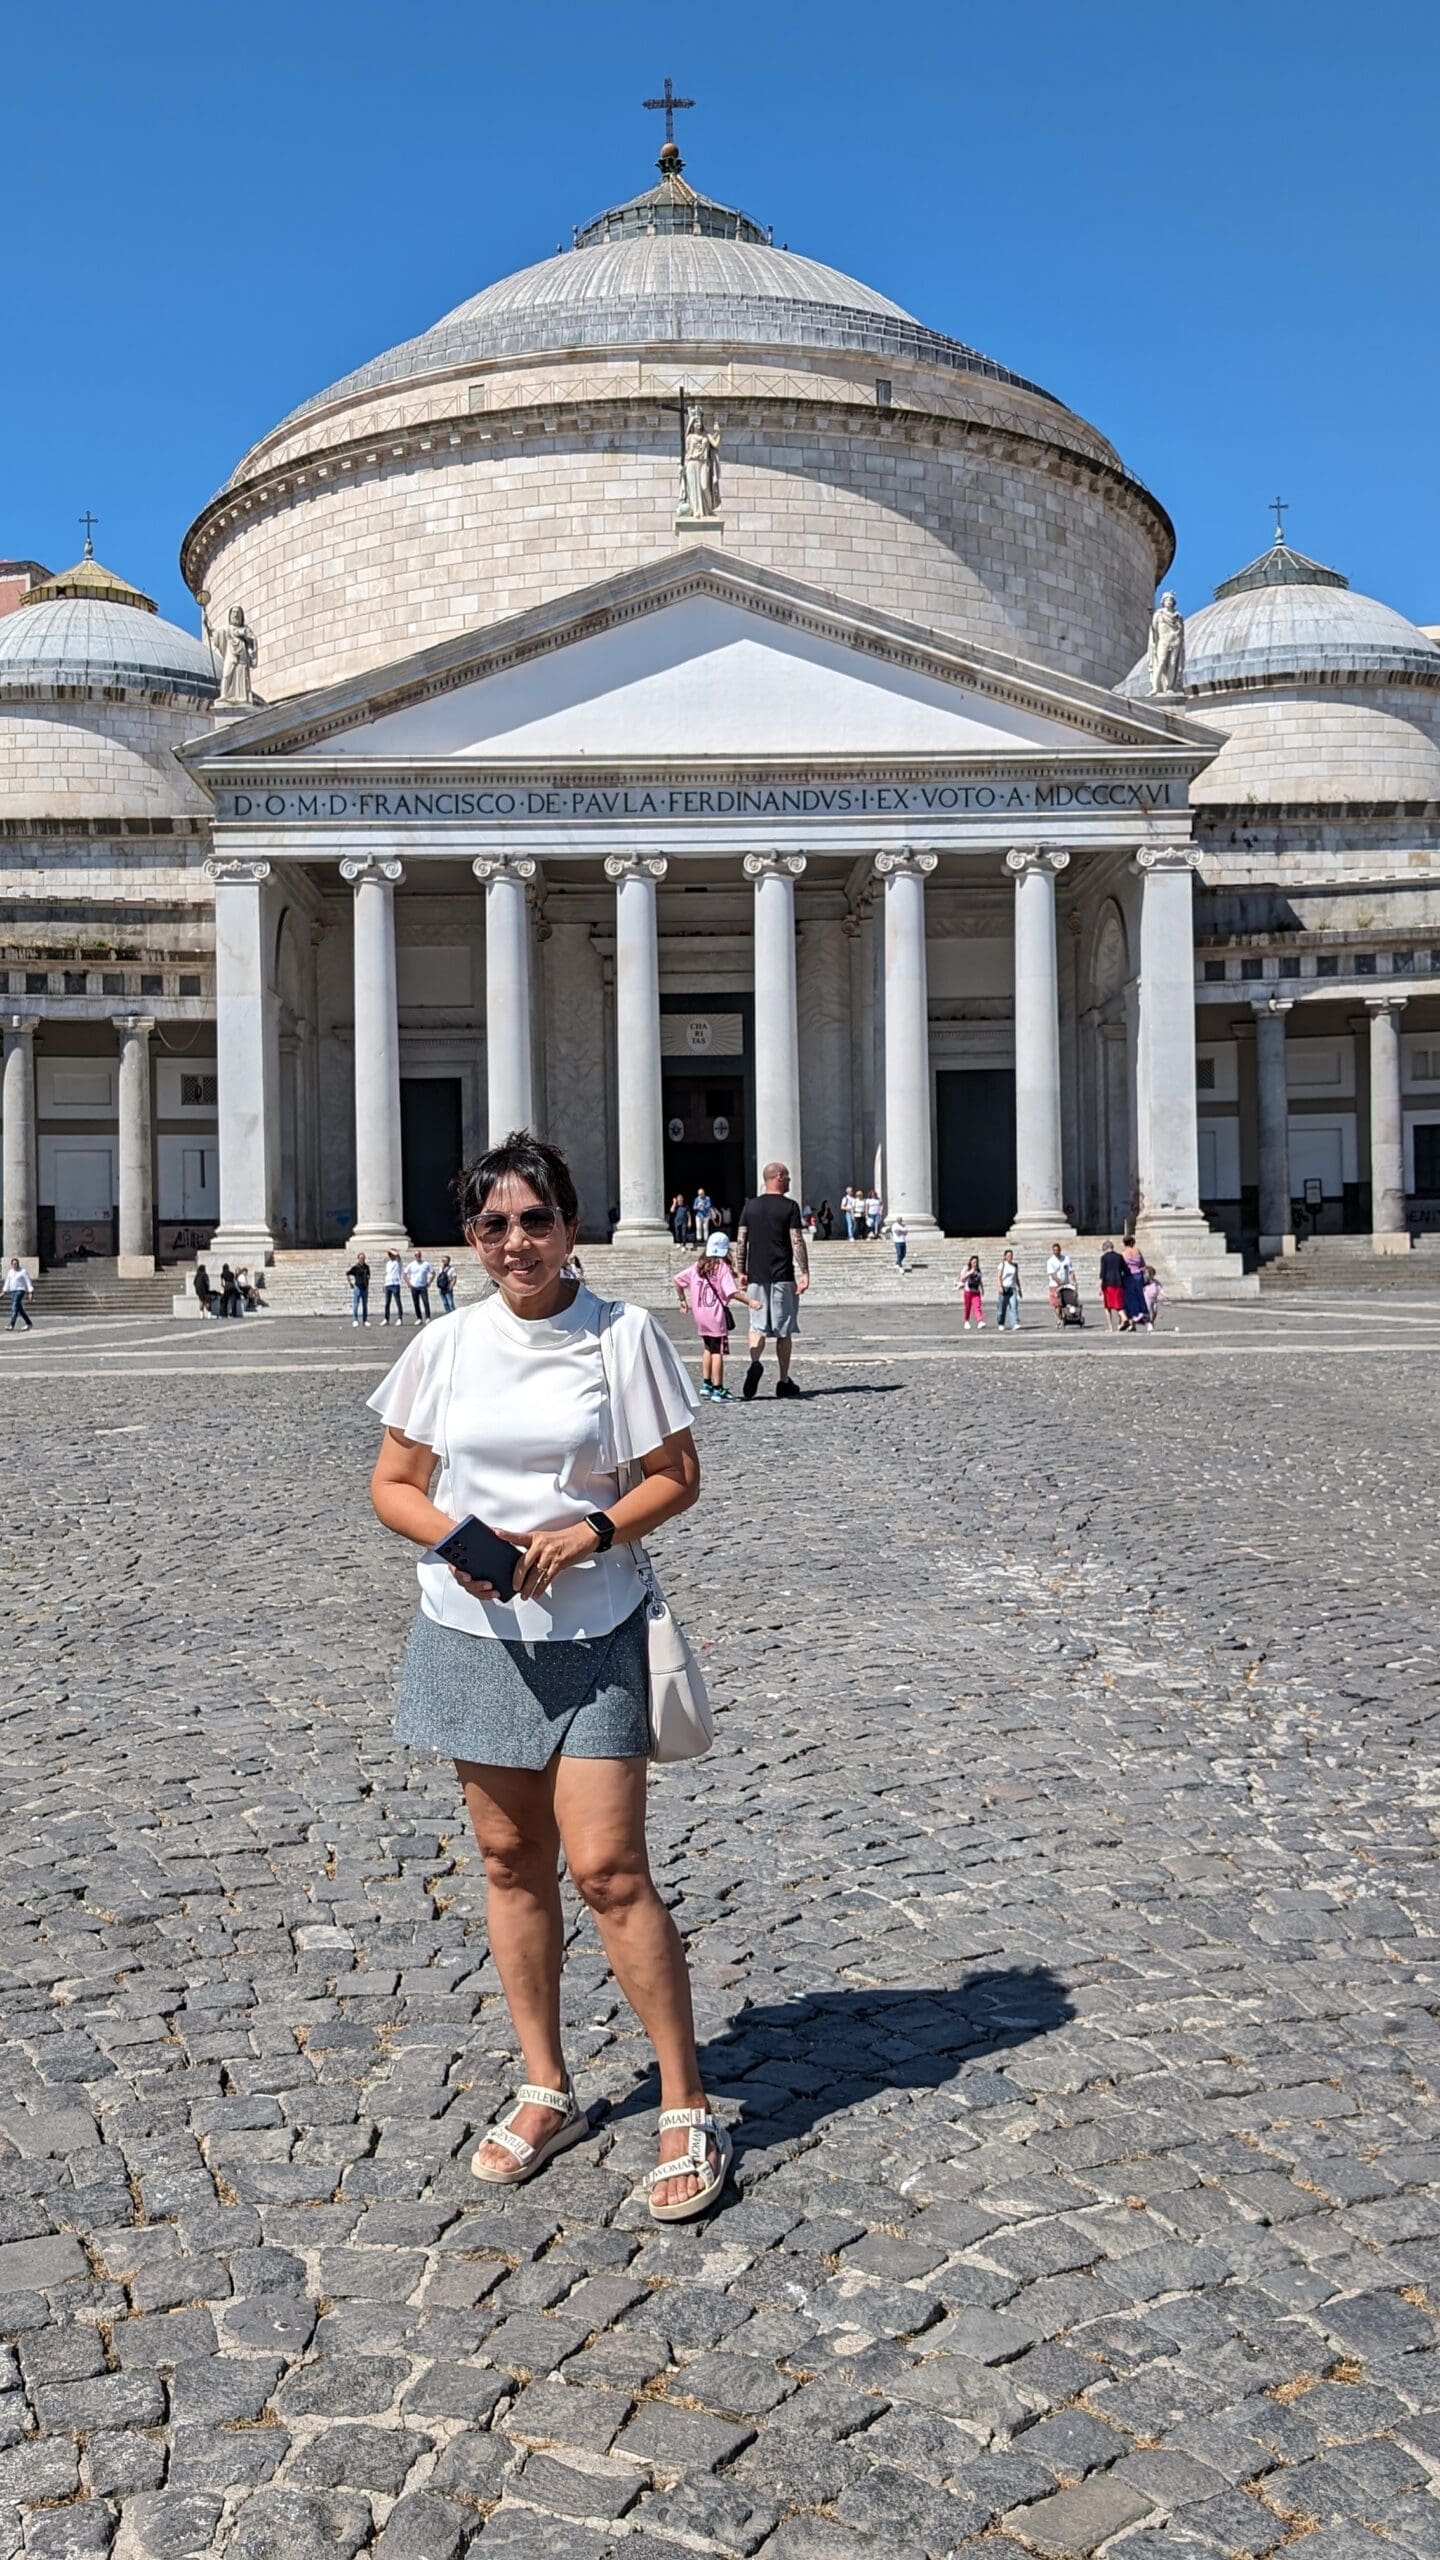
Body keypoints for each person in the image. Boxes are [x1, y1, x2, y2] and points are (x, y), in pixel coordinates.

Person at [368, 1130, 729, 2221]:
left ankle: (684, 2099)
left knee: (612, 1868)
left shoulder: (620, 1335)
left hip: (598, 1628)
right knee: (509, 1859)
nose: (517, 1240)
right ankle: (547, 2084)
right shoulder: (444, 1344)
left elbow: (678, 1475)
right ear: (471, 1238)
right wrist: (458, 1545)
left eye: (536, 1218)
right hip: (473, 1634)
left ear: (570, 1225)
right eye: (494, 1224)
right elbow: (393, 1482)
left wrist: (592, 1533)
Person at [736, 1160, 809, 1400]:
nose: (789, 1180)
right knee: (783, 1330)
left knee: (756, 1326)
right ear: (777, 1176)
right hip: (782, 1275)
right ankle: (783, 1379)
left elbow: (741, 1240)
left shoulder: (751, 1207)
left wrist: (741, 1271)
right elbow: (796, 1240)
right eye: (786, 1176)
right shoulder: (790, 1206)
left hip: (756, 1275)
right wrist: (805, 1271)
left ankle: (755, 1362)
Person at [674, 1232, 741, 1401]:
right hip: (716, 1315)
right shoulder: (721, 1267)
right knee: (717, 1351)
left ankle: (706, 1384)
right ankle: (718, 1389)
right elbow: (732, 1292)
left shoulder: (697, 1266)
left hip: (700, 1314)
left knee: (707, 1348)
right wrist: (751, 1302)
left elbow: (677, 1279)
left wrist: (683, 1300)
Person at [1098, 1240, 1127, 1334]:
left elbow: (1102, 1273)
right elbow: (1125, 1269)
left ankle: (1112, 1326)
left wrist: (1099, 1286)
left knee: (1108, 1306)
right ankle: (1122, 1320)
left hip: (1108, 1283)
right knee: (1118, 1303)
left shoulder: (1104, 1258)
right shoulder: (1119, 1256)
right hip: (1119, 1283)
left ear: (1105, 1248)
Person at [1120, 1236, 1150, 1330]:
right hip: (1138, 1276)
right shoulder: (1137, 1251)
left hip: (1128, 1277)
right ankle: (1147, 1322)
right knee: (1140, 1298)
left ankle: (1132, 1322)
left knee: (1129, 1300)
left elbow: (1123, 1267)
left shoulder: (1123, 1254)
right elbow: (1143, 1264)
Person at [1046, 1242, 1074, 1328]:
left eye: (1057, 1250)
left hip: (1066, 1285)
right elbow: (1053, 1275)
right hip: (1055, 1285)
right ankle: (1059, 1319)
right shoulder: (1050, 1261)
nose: (1056, 1252)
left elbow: (1071, 1271)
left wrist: (1074, 1281)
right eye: (1054, 1250)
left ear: (1060, 1250)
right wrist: (1059, 1282)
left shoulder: (1066, 1259)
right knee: (1057, 1304)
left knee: (1066, 1303)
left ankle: (1067, 1317)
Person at [5, 1257, 34, 1331]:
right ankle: (29, 1323)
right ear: (11, 1264)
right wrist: (4, 1291)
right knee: (20, 1309)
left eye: (16, 1263)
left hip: (20, 1290)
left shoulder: (23, 1271)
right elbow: (7, 1282)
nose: (15, 1265)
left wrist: (30, 1292)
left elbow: (28, 1281)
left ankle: (12, 1324)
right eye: (14, 1264)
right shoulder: (10, 1272)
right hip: (12, 1291)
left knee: (14, 1306)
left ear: (18, 1264)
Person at [405, 1251, 435, 1323]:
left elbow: (433, 1273)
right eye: (416, 1255)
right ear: (414, 1256)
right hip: (414, 1286)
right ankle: (419, 1318)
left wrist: (429, 1282)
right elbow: (405, 1273)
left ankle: (427, 1317)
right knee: (416, 1303)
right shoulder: (411, 1264)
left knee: (425, 1302)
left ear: (421, 1255)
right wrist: (408, 1283)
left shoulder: (426, 1264)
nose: (417, 1256)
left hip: (423, 1286)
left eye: (418, 1255)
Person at [996, 1249, 1022, 1329]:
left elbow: (1016, 1278)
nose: (1010, 1257)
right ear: (1005, 1256)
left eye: (1011, 1255)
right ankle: (1001, 1323)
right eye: (1008, 1256)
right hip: (1004, 1288)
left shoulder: (1015, 1265)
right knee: (1002, 1307)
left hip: (1012, 1288)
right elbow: (999, 1276)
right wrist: (1000, 1286)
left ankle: (1014, 1323)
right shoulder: (1002, 1265)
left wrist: (1019, 1288)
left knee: (1013, 1306)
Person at [958, 1254, 984, 1329]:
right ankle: (966, 1321)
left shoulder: (978, 1270)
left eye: (976, 1262)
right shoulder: (966, 1268)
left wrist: (982, 1288)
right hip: (968, 1291)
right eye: (973, 1262)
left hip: (976, 1291)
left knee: (977, 1306)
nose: (975, 1264)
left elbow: (980, 1280)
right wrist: (970, 1272)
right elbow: (962, 1279)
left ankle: (980, 1321)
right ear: (970, 1262)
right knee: (967, 1307)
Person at [347, 1250, 371, 1327]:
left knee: (365, 1305)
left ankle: (365, 1320)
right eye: (361, 1258)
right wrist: (350, 1283)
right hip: (357, 1288)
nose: (362, 1259)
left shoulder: (367, 1267)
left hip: (365, 1287)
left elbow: (368, 1275)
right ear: (358, 1259)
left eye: (363, 1258)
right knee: (356, 1304)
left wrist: (367, 1279)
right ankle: (355, 1320)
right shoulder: (355, 1267)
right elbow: (348, 1273)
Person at [383, 1251, 405, 1326]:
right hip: (388, 1284)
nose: (390, 1256)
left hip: (395, 1284)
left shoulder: (398, 1262)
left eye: (391, 1254)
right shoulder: (388, 1263)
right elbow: (387, 1274)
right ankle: (386, 1319)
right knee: (387, 1303)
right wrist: (384, 1284)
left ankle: (400, 1318)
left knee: (398, 1302)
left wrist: (391, 1250)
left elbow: (398, 1255)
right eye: (390, 1255)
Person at [1143, 1261, 1163, 1328]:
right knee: (1148, 1310)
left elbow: (1160, 1289)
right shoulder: (1145, 1282)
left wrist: (1165, 1295)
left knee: (1155, 1311)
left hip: (1154, 1299)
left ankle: (1152, 1321)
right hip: (1147, 1298)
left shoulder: (1156, 1281)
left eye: (1153, 1274)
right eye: (1150, 1275)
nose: (1152, 1276)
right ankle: (1148, 1323)